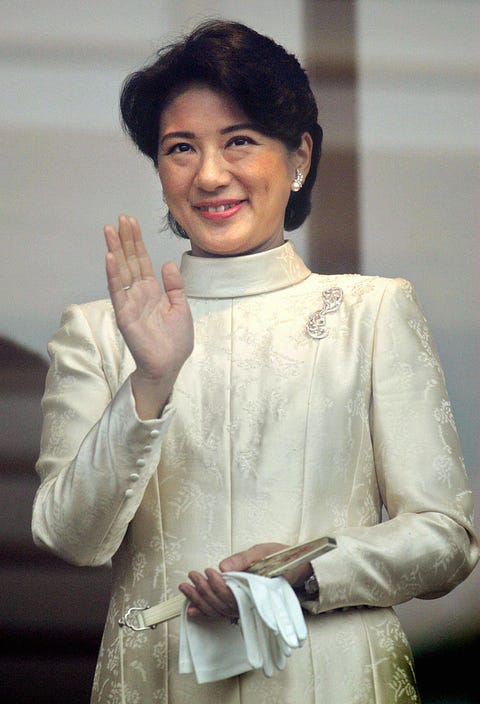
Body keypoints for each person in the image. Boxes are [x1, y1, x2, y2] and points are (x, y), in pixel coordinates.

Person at [32, 20, 478, 704]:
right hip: (157, 682)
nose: (210, 175)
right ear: (159, 171)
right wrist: (149, 381)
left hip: (331, 681)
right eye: (180, 148)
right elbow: (72, 537)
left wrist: (301, 571)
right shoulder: (97, 331)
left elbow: (446, 539)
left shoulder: (374, 313)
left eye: (239, 140)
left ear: (298, 156)